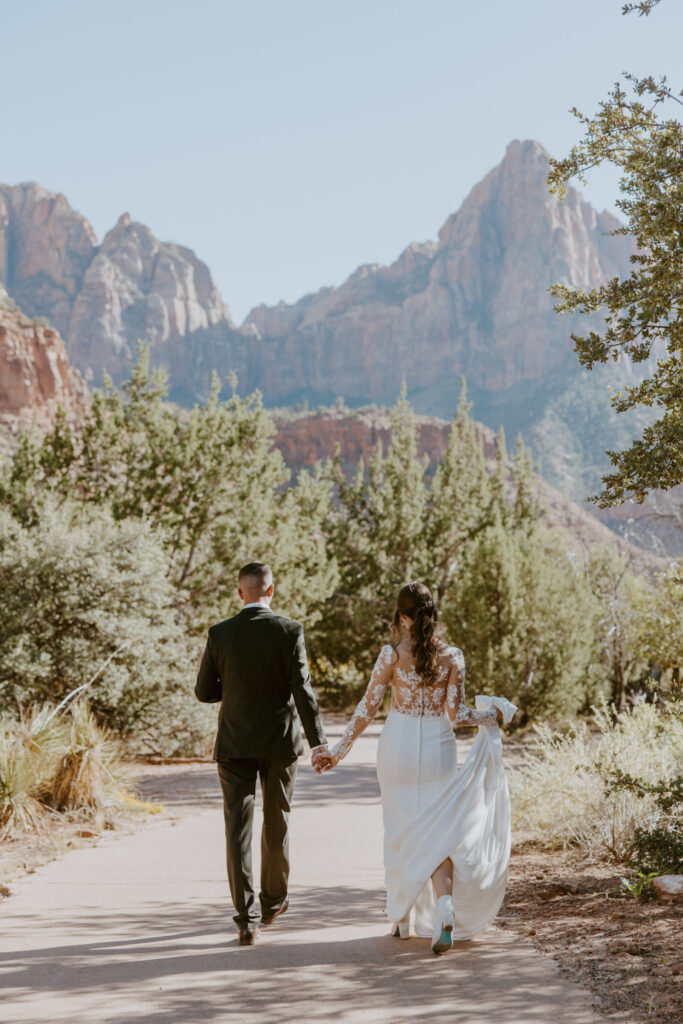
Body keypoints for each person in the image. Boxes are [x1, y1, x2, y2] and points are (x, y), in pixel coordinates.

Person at [314, 581, 515, 955]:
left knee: (400, 829)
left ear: (402, 617)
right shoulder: (453, 656)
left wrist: (338, 751)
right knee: (437, 832)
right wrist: (494, 714)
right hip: (438, 747)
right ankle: (444, 908)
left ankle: (402, 919)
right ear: (432, 615)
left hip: (399, 745)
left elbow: (367, 708)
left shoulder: (390, 656)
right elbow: (459, 715)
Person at [195, 561, 330, 945]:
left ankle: (245, 919)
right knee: (277, 823)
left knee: (237, 829)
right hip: (279, 743)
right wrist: (319, 742)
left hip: (234, 743)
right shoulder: (289, 631)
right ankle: (273, 904)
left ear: (241, 594)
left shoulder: (220, 633)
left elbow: (204, 691)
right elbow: (302, 691)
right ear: (271, 591)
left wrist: (236, 690)